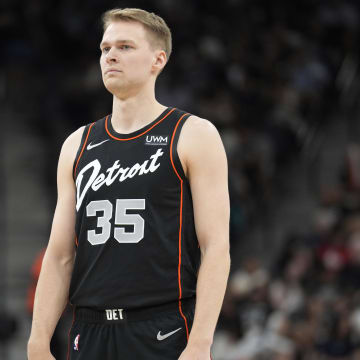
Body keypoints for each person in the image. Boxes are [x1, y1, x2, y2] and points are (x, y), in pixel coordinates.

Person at [27, 7, 230, 360]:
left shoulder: (193, 135)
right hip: (88, 330)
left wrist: (200, 343)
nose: (111, 56)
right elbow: (60, 255)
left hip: (161, 327)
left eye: (125, 47)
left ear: (158, 60)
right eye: (105, 48)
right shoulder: (77, 144)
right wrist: (38, 340)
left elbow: (216, 248)